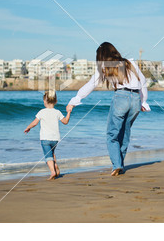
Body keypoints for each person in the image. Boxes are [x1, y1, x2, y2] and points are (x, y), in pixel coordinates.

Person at [66, 42, 150, 176]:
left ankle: (117, 165)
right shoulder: (129, 63)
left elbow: (91, 85)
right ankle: (119, 164)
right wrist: (144, 101)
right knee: (125, 134)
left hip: (121, 97)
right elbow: (143, 80)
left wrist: (75, 100)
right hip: (135, 99)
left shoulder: (104, 67)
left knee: (112, 134)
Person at [24, 91, 71, 180]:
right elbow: (65, 122)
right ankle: (55, 167)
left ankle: (52, 171)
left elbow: (35, 123)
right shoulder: (57, 112)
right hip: (55, 139)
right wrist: (68, 112)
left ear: (45, 101)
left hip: (45, 139)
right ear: (56, 101)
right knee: (52, 153)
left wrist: (28, 127)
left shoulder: (42, 112)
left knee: (48, 156)